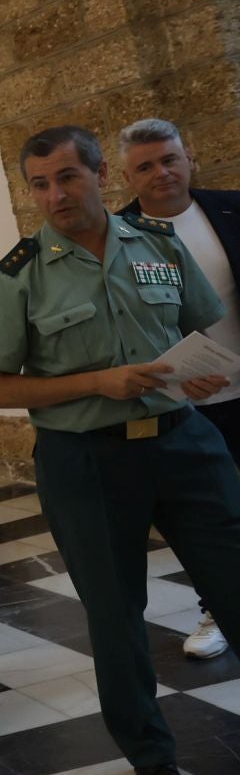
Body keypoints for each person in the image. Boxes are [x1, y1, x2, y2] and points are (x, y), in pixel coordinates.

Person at [0, 124, 240, 775]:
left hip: (185, 444)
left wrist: (197, 375)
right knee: (116, 617)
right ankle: (150, 754)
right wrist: (98, 381)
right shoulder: (19, 275)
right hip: (85, 460)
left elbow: (197, 329)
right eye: (39, 183)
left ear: (99, 174)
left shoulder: (157, 248)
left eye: (67, 177)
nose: (55, 194)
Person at [116, 117, 240, 661]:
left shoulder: (231, 209)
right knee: (205, 517)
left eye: (169, 159)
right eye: (145, 166)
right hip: (181, 403)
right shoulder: (115, 237)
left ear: (188, 157)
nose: (161, 172)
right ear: (127, 177)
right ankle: (216, 607)